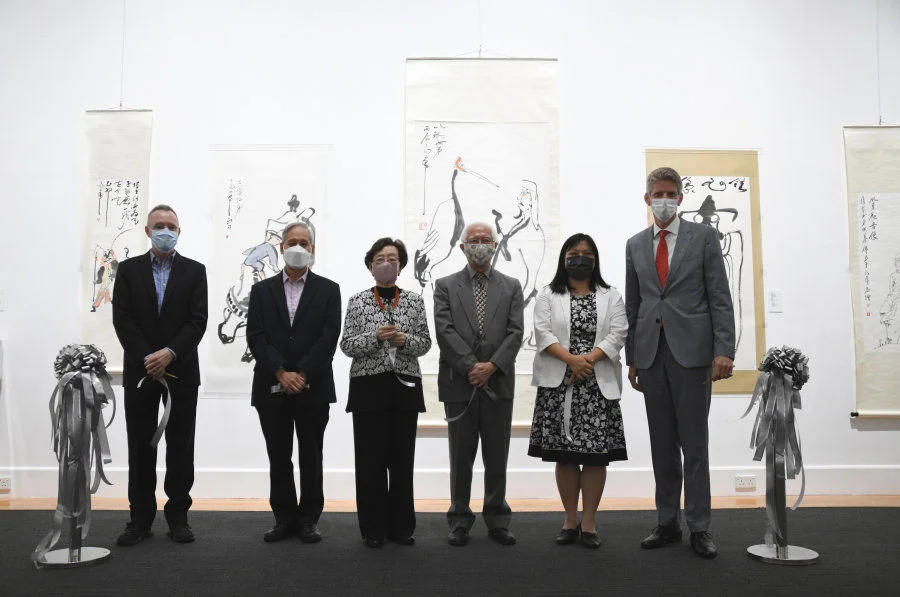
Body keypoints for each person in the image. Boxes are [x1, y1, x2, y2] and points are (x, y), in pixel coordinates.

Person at [625, 167, 736, 559]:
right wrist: (633, 357)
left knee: (695, 445)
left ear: (681, 199)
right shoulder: (635, 244)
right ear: (647, 198)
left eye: (671, 193)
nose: (664, 199)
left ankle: (700, 527)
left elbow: (720, 297)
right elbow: (635, 304)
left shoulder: (704, 238)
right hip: (651, 354)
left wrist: (724, 349)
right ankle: (667, 521)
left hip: (693, 355)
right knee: (661, 445)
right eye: (658, 193)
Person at [112, 204, 208, 546]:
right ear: (148, 230)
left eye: (171, 226)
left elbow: (197, 321)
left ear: (179, 232)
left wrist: (170, 353)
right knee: (140, 446)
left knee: (181, 446)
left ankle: (179, 517)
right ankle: (139, 519)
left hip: (182, 372)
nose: (165, 230)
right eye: (159, 225)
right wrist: (148, 357)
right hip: (141, 373)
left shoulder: (195, 272)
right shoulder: (127, 270)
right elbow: (122, 320)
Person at [529, 233, 628, 549]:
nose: (580, 258)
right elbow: (542, 332)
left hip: (597, 385)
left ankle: (589, 523)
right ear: (564, 258)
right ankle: (569, 520)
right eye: (574, 252)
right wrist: (572, 360)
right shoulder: (547, 294)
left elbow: (619, 332)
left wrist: (589, 360)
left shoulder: (610, 294)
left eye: (587, 253)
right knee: (566, 456)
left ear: (595, 260)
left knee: (596, 458)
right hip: (560, 383)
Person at [246, 222, 341, 543]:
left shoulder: (329, 290)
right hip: (271, 387)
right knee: (279, 456)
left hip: (313, 387)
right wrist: (280, 372)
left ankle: (309, 519)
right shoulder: (261, 290)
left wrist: (301, 373)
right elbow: (255, 336)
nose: (298, 247)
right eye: (292, 242)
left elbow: (329, 337)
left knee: (312, 456)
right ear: (282, 246)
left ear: (313, 249)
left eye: (304, 242)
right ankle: (283, 519)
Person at [433, 222, 524, 547]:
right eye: (474, 240)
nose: (480, 244)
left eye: (486, 239)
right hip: (461, 383)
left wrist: (492, 367)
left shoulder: (512, 286)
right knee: (461, 456)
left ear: (496, 245)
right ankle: (459, 518)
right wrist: (473, 367)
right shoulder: (444, 285)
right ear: (462, 247)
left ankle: (498, 518)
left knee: (497, 455)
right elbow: (444, 330)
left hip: (498, 383)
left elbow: (515, 333)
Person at [339, 238, 432, 548]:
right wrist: (374, 337)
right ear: (370, 265)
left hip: (404, 387)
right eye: (380, 258)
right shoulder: (357, 301)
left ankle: (402, 528)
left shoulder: (415, 300)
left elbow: (426, 343)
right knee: (370, 463)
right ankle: (373, 529)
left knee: (402, 463)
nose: (386, 263)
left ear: (401, 265)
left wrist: (404, 340)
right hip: (368, 388)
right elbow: (347, 346)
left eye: (392, 258)